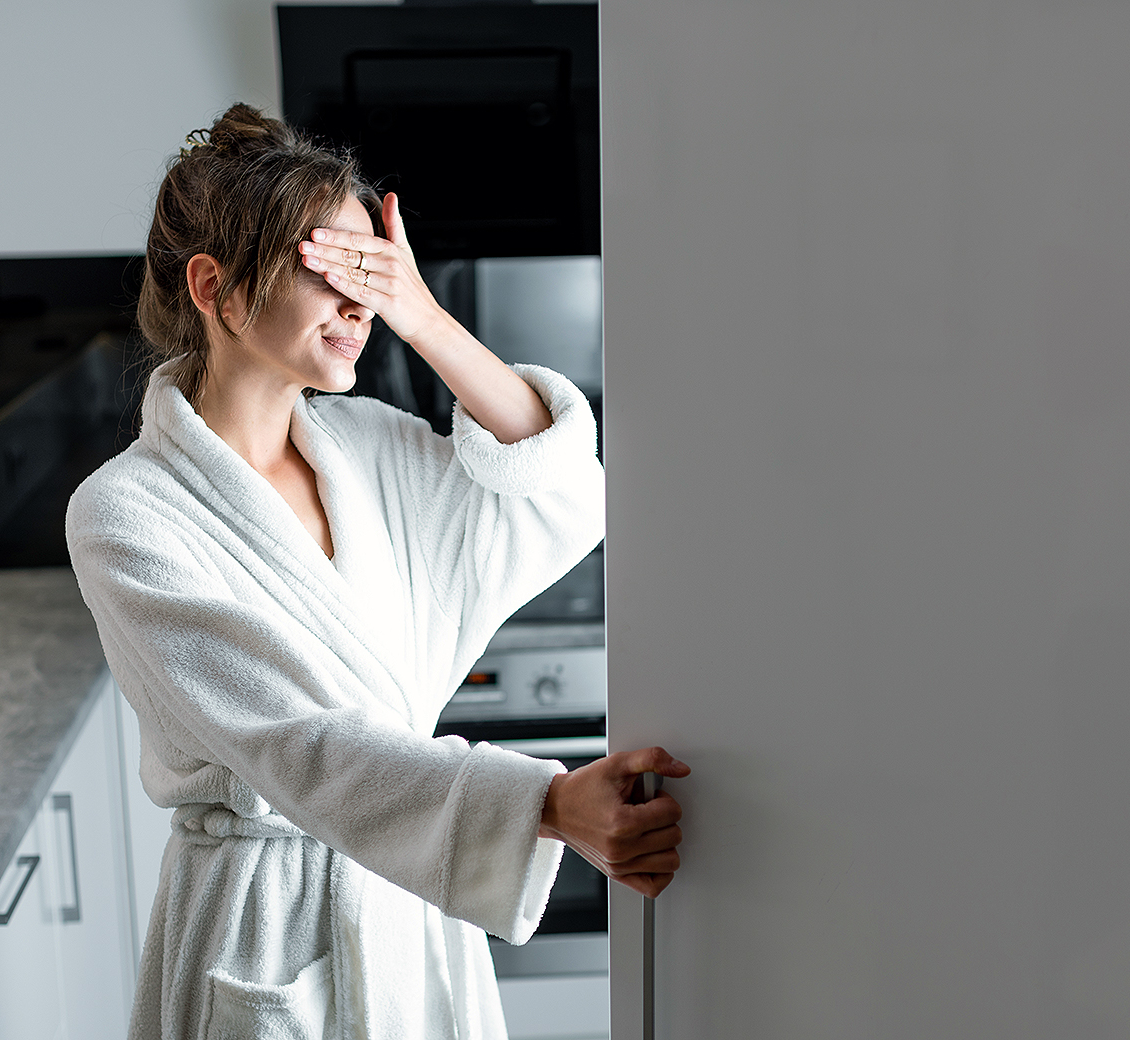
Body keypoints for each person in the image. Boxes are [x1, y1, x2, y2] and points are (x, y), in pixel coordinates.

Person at [66, 103, 689, 1040]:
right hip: (265, 919)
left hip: (412, 911)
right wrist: (548, 804)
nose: (362, 304)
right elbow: (298, 741)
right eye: (332, 271)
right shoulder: (128, 513)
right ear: (214, 286)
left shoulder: (369, 449)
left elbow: (559, 493)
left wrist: (424, 316)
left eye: (375, 274)